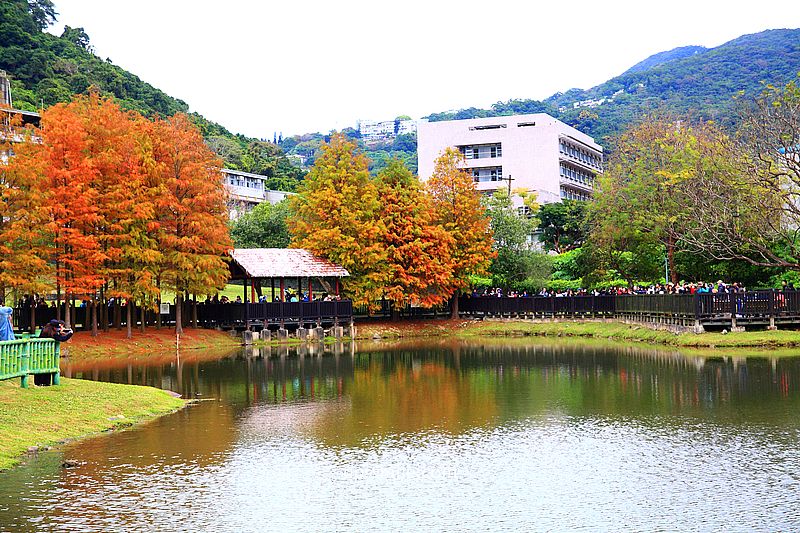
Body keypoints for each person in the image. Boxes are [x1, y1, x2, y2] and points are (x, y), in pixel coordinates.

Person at [35, 320, 73, 386]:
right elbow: (62, 339)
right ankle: (46, 382)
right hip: (48, 352)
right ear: (53, 327)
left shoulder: (44, 330)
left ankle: (38, 382)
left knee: (40, 366)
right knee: (48, 367)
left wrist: (59, 332)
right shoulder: (52, 333)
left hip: (40, 351)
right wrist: (70, 334)